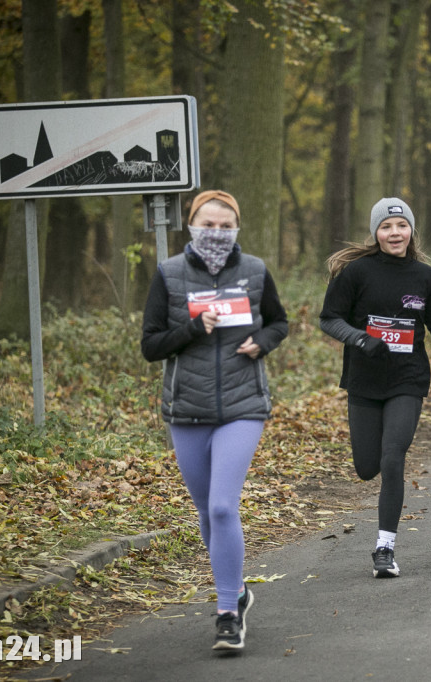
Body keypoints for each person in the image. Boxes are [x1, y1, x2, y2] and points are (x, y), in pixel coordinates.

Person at [141, 190, 288, 652]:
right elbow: (150, 346)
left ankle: (227, 611)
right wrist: (191, 328)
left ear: (237, 228)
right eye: (209, 224)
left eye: (227, 226)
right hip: (187, 409)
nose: (217, 233)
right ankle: (239, 590)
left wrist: (261, 342)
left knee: (224, 506)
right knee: (206, 512)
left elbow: (279, 323)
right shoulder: (169, 273)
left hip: (244, 404)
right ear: (191, 224)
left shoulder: (255, 271)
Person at [319, 197, 431, 579]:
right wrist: (361, 339)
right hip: (364, 381)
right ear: (376, 232)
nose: (394, 233)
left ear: (411, 230)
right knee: (367, 467)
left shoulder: (425, 277)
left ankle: (385, 548)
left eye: (401, 226)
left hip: (407, 380)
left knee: (393, 455)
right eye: (386, 226)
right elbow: (329, 320)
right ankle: (382, 505)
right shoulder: (356, 273)